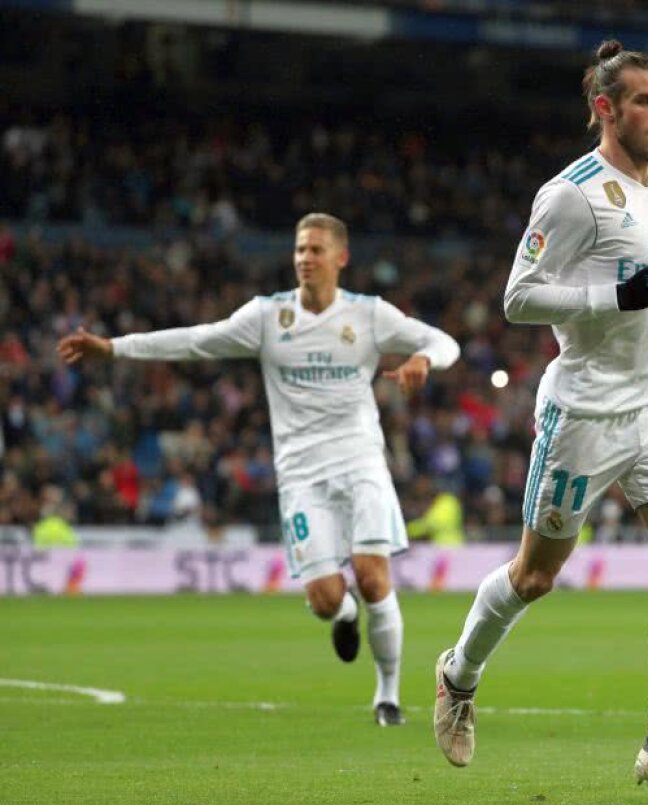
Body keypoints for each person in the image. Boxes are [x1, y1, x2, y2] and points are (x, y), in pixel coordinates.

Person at [431, 40, 648, 805]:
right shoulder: (569, 194)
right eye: (644, 102)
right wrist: (612, 305)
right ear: (605, 108)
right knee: (536, 576)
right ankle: (459, 672)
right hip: (585, 411)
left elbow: (644, 283)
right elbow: (519, 299)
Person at [57, 212, 461, 725]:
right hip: (301, 473)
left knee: (372, 575)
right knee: (323, 598)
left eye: (315, 250)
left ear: (341, 257)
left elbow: (445, 342)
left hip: (360, 459)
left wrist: (424, 360)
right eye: (298, 250)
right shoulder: (269, 317)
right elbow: (194, 340)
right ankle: (342, 615)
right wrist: (113, 348)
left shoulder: (369, 314)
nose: (304, 259)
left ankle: (387, 697)